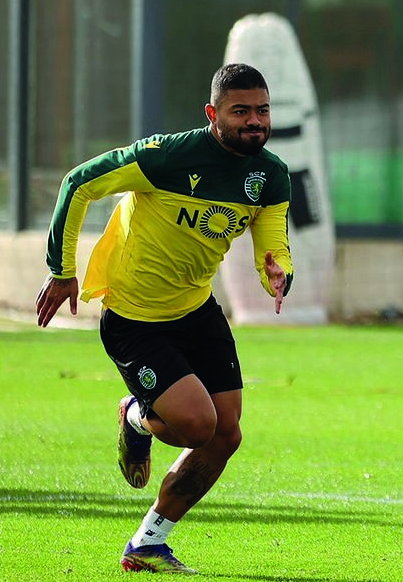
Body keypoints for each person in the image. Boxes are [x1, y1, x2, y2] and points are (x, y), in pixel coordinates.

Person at [36, 63, 293, 574]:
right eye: (240, 111)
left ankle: (148, 543)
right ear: (212, 114)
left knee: (227, 434)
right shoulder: (167, 157)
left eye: (262, 110)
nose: (254, 121)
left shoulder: (271, 174)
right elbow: (79, 182)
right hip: (135, 319)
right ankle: (136, 417)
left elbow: (273, 244)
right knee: (198, 425)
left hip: (197, 311)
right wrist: (62, 270)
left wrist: (277, 273)